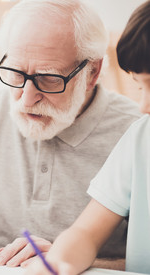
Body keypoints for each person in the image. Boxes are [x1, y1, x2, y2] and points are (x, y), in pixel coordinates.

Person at [0, 0, 142, 271]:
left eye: (48, 78)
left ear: (92, 72)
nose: (25, 100)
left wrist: (68, 259)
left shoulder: (136, 132)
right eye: (15, 72)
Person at [25, 1, 150, 274]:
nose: (144, 106)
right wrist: (58, 262)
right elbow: (85, 233)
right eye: (140, 86)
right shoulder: (141, 139)